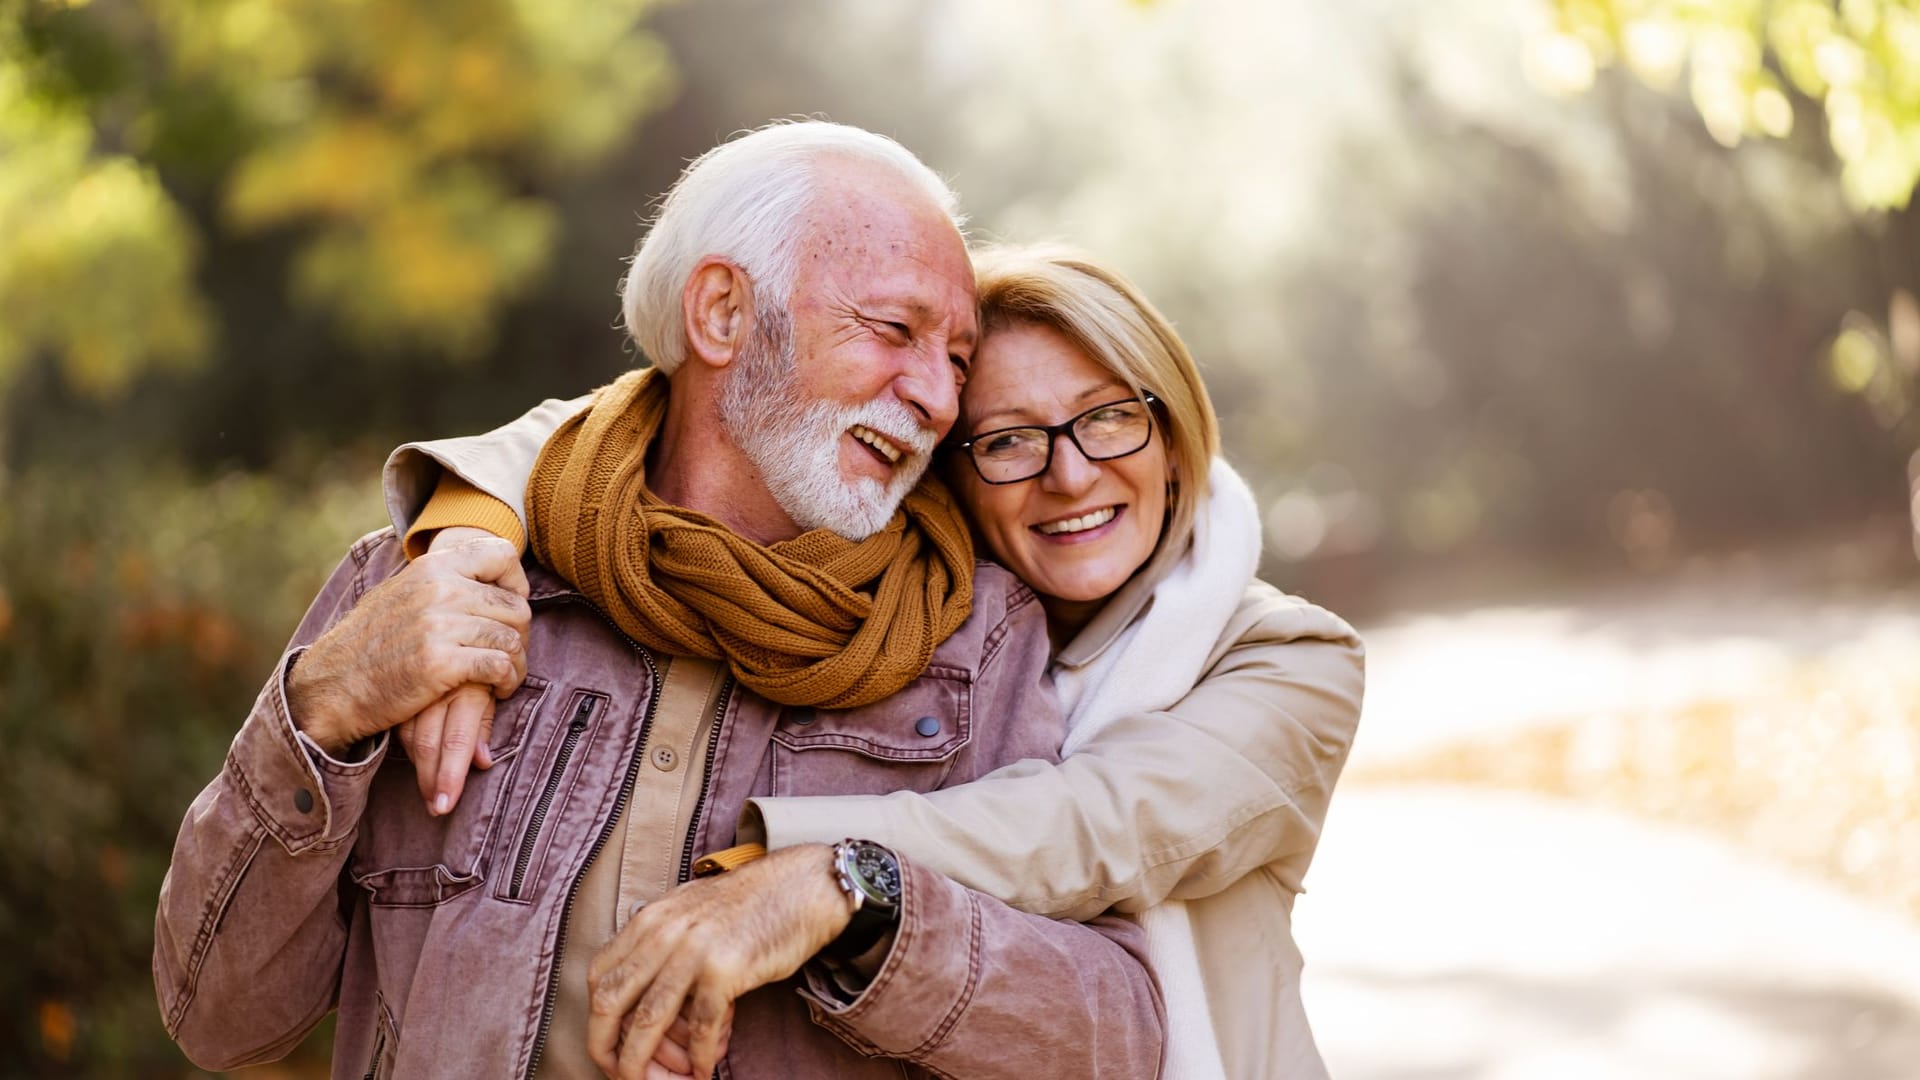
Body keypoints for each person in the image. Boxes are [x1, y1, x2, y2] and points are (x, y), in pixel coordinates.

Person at [152, 121, 1167, 1080]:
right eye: (894, 329)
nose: (939, 399)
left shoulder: (977, 640)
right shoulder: (435, 576)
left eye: (953, 360)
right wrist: (322, 709)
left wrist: (857, 901)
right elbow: (220, 1015)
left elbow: (1117, 1035)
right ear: (723, 312)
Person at [391, 245, 1365, 1077]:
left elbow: (1092, 825)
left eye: (1109, 417)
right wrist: (472, 530)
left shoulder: (1289, 659)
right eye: (1011, 439)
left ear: (1175, 430)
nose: (1069, 473)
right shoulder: (933, 615)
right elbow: (647, 432)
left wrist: (823, 875)